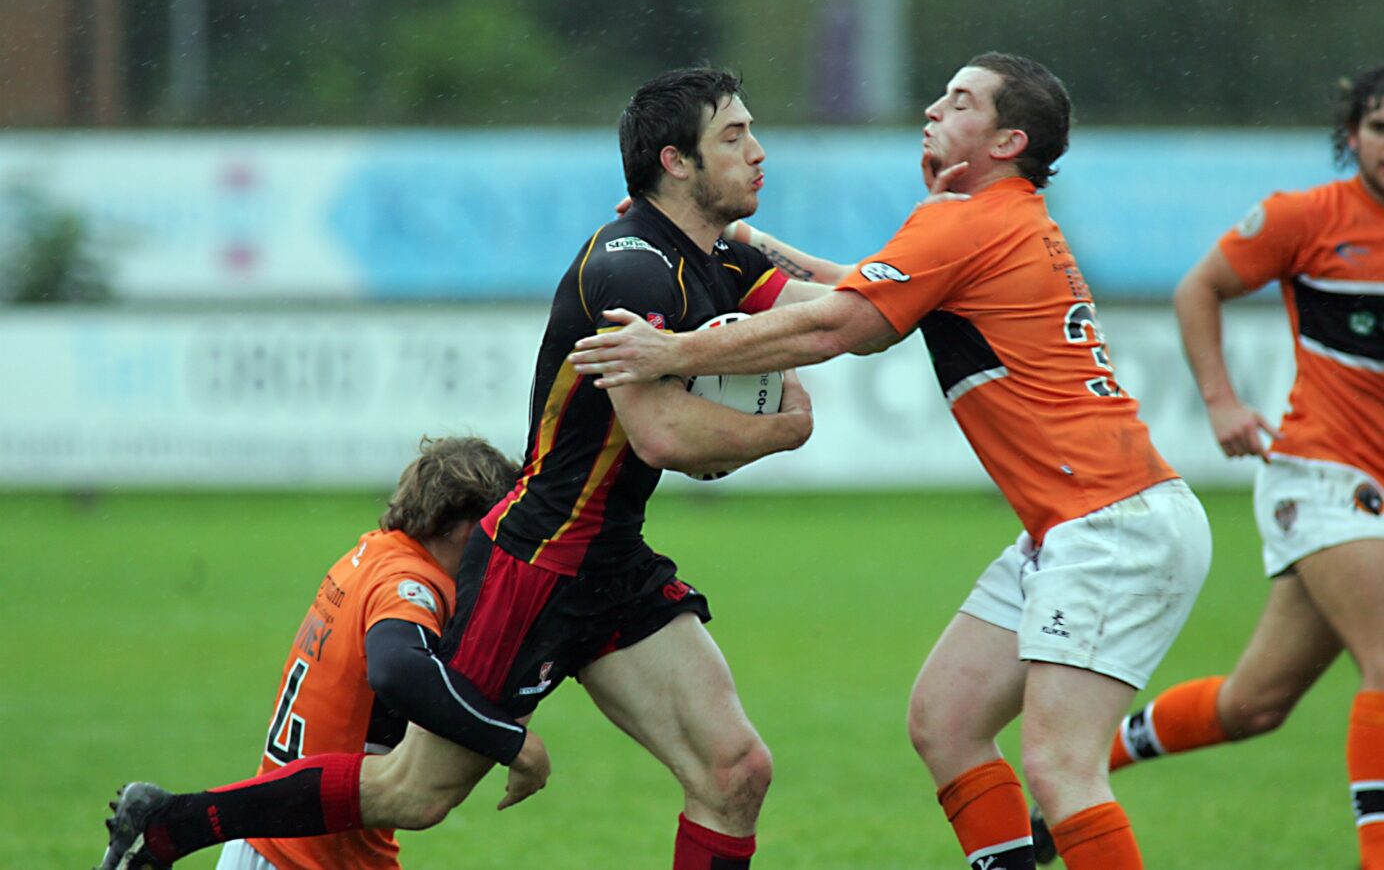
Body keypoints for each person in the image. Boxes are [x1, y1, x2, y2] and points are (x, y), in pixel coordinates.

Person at [99, 66, 820, 870]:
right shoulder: (632, 269)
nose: (759, 151)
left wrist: (763, 244)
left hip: (608, 555)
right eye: (735, 135)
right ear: (674, 162)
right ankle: (172, 825)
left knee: (734, 772)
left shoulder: (714, 257)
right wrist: (785, 432)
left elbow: (851, 309)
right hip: (537, 560)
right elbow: (659, 434)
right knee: (416, 792)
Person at [568, 52, 1213, 870]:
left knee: (1061, 766)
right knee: (945, 722)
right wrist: (744, 239)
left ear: (1008, 140)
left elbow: (843, 329)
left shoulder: (966, 220)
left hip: (1111, 526)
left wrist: (674, 350)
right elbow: (858, 298)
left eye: (961, 102)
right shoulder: (986, 218)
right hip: (1084, 525)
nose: (933, 110)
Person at [1028, 64, 1384, 868]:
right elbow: (1202, 288)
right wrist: (1222, 401)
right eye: (1379, 127)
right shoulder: (1309, 218)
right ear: (1352, 135)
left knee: (1253, 705)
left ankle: (1091, 763)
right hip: (1323, 476)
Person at [98, 434, 546, 870]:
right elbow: (398, 671)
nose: (496, 551)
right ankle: (170, 825)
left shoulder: (371, 555)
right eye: (495, 532)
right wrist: (510, 742)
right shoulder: (407, 584)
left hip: (282, 837)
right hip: (310, 853)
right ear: (468, 526)